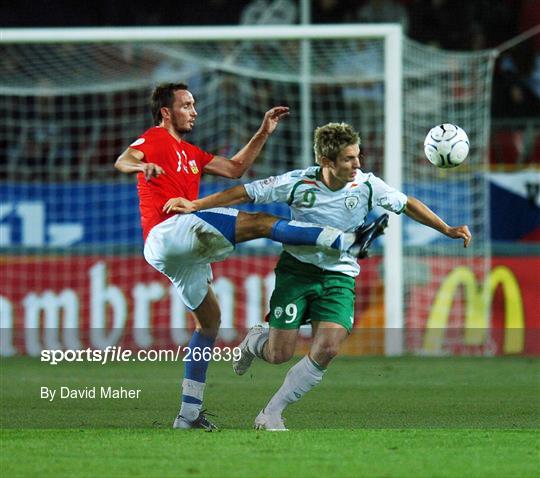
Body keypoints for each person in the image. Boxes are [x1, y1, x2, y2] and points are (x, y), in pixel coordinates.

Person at [165, 122, 472, 431]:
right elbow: (245, 193)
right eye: (349, 159)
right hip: (297, 273)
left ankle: (272, 412)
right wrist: (196, 205)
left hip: (339, 276)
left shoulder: (367, 185)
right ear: (327, 162)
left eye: (358, 156)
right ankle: (254, 342)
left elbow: (408, 205)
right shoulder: (299, 183)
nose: (358, 165)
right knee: (278, 354)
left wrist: (446, 229)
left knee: (328, 348)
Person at [114, 84, 375, 431]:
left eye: (194, 104)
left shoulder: (191, 153)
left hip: (170, 253)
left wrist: (263, 132)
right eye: (186, 105)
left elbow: (236, 168)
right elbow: (124, 159)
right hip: (170, 228)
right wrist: (142, 166)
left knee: (209, 323)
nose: (194, 111)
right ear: (166, 112)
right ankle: (342, 240)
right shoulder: (155, 139)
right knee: (262, 222)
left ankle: (188, 414)